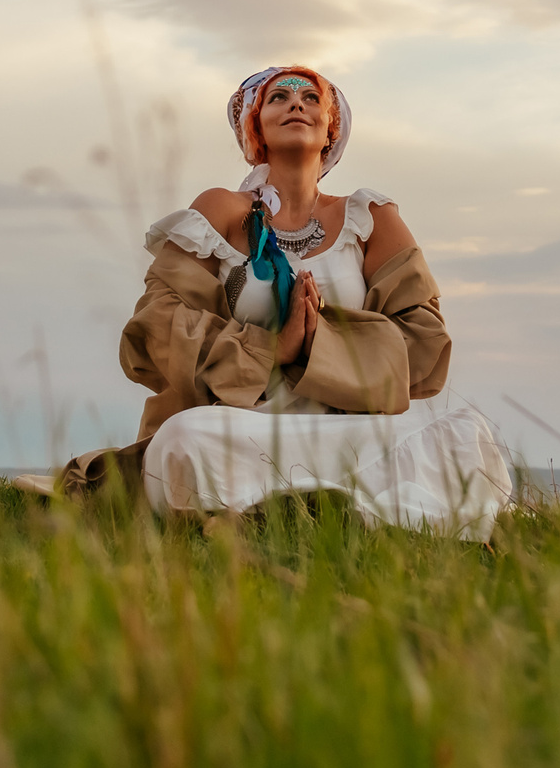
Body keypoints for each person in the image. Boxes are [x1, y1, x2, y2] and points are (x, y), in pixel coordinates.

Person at [32, 65, 512, 538]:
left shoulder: (370, 218)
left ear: (331, 128)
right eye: (279, 97)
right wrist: (271, 350)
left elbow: (425, 347)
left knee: (459, 435)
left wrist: (319, 344)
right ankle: (330, 508)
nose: (296, 103)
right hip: (242, 428)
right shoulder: (221, 211)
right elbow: (156, 327)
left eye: (310, 97)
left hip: (346, 431)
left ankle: (292, 507)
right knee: (183, 440)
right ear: (255, 127)